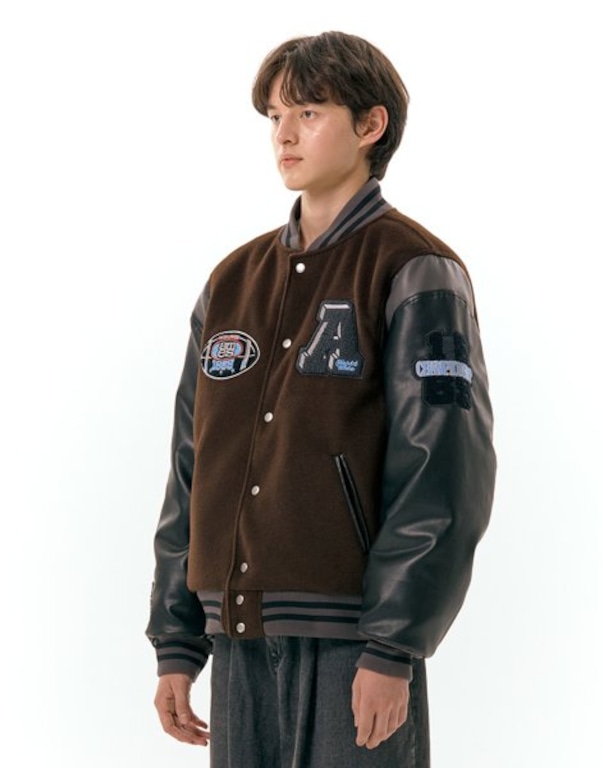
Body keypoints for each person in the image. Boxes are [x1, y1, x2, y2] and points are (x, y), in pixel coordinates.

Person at [146, 30, 496, 768]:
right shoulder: (231, 282)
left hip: (354, 641)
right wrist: (176, 639)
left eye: (308, 112)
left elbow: (444, 470)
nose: (283, 134)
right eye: (275, 115)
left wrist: (393, 644)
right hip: (236, 635)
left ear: (371, 125)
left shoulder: (415, 269)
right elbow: (190, 464)